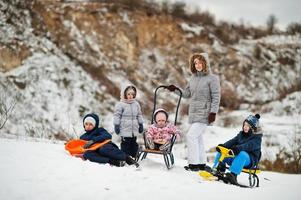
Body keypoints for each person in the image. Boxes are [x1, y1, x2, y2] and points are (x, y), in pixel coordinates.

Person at [167, 52, 221, 171]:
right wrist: (175, 89)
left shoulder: (212, 79)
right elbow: (186, 94)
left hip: (205, 112)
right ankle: (201, 163)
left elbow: (216, 97)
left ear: (205, 63)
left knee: (191, 135)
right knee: (198, 137)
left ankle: (193, 164)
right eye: (195, 63)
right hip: (194, 111)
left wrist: (213, 112)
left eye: (200, 62)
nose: (197, 65)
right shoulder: (193, 78)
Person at [212, 114, 262, 185]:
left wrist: (236, 149)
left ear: (253, 128)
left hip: (249, 161)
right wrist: (223, 146)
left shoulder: (257, 139)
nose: (245, 127)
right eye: (244, 125)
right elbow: (233, 141)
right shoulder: (241, 135)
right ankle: (216, 169)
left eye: (248, 126)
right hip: (237, 157)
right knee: (222, 152)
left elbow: (247, 146)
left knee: (242, 154)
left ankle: (233, 175)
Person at [113, 85, 144, 158]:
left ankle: (135, 155)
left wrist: (141, 124)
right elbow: (117, 115)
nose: (131, 96)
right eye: (128, 94)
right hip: (125, 129)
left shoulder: (136, 104)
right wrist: (116, 125)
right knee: (126, 144)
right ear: (124, 95)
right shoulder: (120, 105)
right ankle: (125, 156)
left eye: (132, 94)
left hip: (134, 129)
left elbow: (139, 114)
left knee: (134, 143)